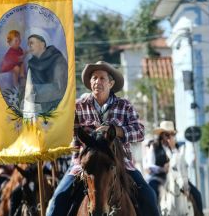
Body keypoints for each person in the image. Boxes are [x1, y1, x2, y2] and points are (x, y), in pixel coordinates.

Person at [46, 61, 160, 216]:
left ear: (111, 83)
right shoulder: (78, 106)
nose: (97, 82)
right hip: (83, 164)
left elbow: (140, 132)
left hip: (121, 163)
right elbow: (62, 130)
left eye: (102, 78)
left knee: (149, 196)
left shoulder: (124, 105)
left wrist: (116, 131)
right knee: (56, 201)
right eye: (94, 78)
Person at [145, 121, 203, 214]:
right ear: (162, 135)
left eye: (171, 134)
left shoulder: (178, 147)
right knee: (152, 194)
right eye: (167, 134)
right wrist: (162, 169)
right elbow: (149, 165)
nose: (169, 137)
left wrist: (173, 149)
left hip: (177, 177)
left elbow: (180, 162)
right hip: (160, 177)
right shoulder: (154, 146)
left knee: (197, 194)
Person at [23, 28, 68, 115]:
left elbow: (62, 87)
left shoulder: (57, 59)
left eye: (31, 43)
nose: (29, 46)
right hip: (36, 111)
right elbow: (29, 90)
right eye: (28, 44)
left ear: (42, 44)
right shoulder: (31, 63)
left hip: (56, 109)